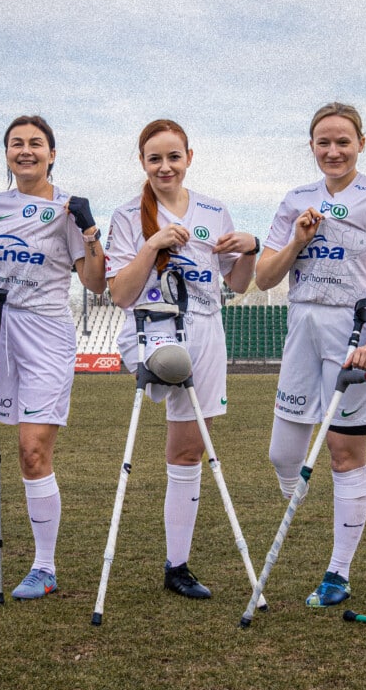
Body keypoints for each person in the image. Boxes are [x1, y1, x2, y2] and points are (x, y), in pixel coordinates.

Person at [255, 102, 366, 608]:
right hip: (302, 322)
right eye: (323, 142)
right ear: (312, 146)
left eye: (343, 141)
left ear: (361, 143)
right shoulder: (295, 199)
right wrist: (299, 240)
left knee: (345, 454)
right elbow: (264, 277)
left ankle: (337, 572)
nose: (334, 150)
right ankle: (320, 520)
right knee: (283, 452)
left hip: (354, 327)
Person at [105, 119, 259, 599]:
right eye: (155, 158)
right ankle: (177, 562)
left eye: (174, 157)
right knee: (183, 440)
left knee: (191, 447)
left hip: (208, 328)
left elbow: (238, 283)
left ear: (189, 157)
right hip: (153, 329)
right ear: (142, 162)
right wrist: (152, 245)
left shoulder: (214, 209)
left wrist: (250, 248)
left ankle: (177, 565)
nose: (165, 166)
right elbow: (120, 294)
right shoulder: (129, 215)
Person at [0, 115, 106, 600]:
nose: (26, 151)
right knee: (21, 453)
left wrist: (89, 230)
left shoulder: (66, 209)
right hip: (3, 333)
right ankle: (41, 562)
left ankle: (44, 568)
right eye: (16, 144)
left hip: (47, 333)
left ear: (52, 153)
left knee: (33, 450)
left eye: (36, 144)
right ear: (6, 153)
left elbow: (93, 282)